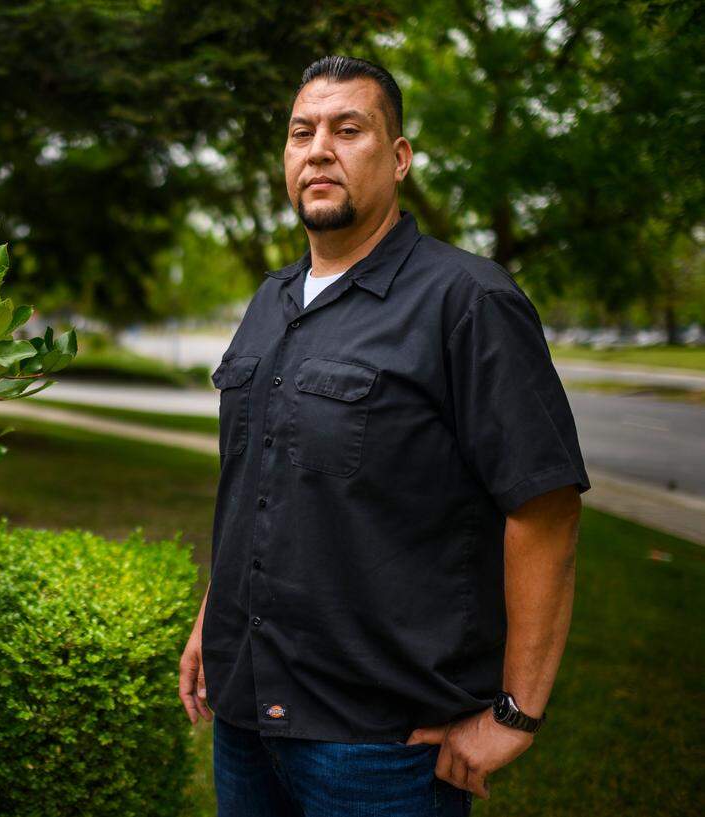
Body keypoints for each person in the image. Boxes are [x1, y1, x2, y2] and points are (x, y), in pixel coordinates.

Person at [177, 55, 591, 817]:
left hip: (378, 750)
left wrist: (516, 712)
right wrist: (215, 612)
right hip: (244, 720)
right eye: (302, 132)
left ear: (398, 158)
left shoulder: (469, 301)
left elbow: (546, 507)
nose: (319, 149)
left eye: (348, 128)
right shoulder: (269, 302)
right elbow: (258, 482)